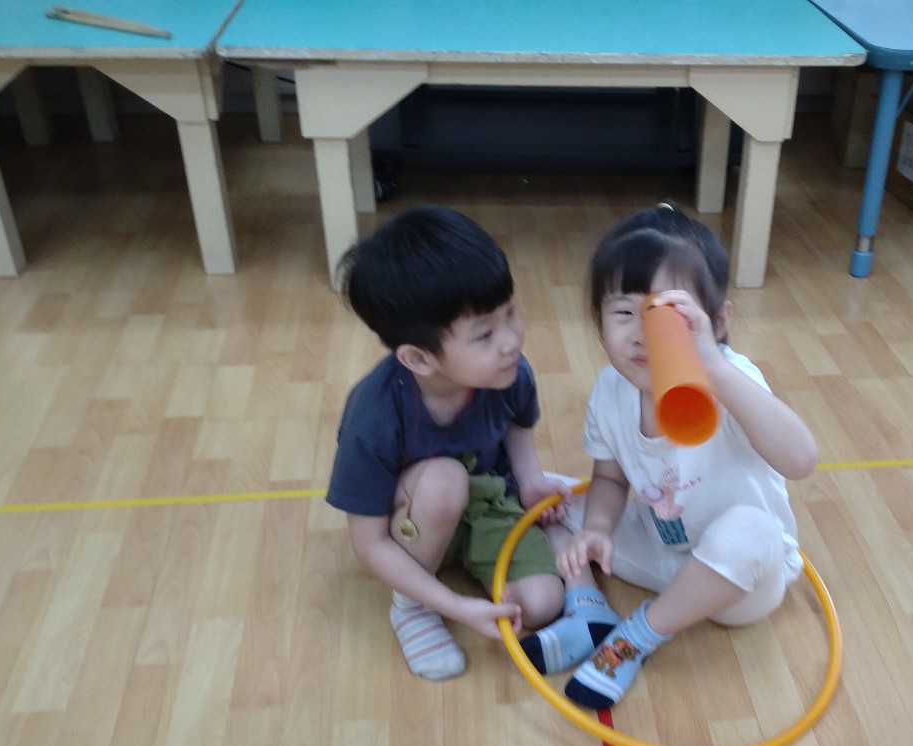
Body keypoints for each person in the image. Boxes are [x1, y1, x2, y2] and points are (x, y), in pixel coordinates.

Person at [518, 203, 819, 709]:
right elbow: (610, 480)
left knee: (753, 530)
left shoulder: (732, 378)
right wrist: (596, 530)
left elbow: (801, 459)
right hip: (666, 552)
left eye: (665, 315)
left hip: (740, 583)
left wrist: (714, 368)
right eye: (623, 313)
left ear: (716, 323)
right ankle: (587, 606)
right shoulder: (611, 390)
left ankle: (636, 636)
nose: (641, 333)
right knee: (546, 495)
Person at [326, 205, 568, 681]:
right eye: (485, 334)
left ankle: (463, 564)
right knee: (443, 483)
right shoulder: (373, 415)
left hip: (489, 502)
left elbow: (518, 427)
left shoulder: (509, 374)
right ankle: (412, 607)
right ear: (418, 359)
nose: (511, 340)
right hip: (417, 516)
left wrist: (530, 479)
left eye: (511, 313)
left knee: (542, 603)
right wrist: (454, 605)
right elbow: (371, 545)